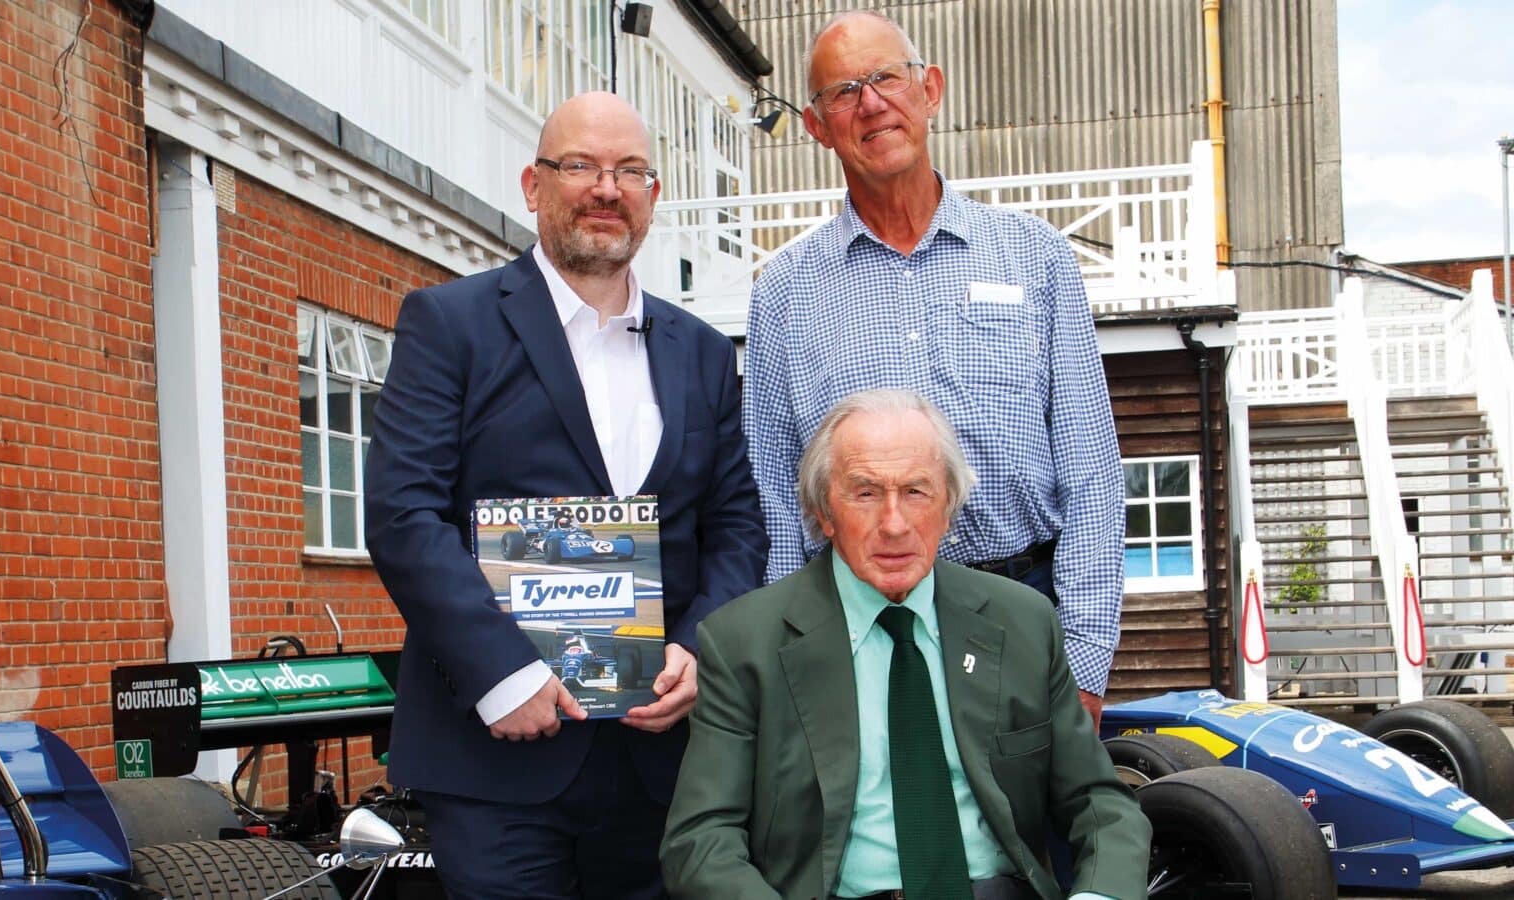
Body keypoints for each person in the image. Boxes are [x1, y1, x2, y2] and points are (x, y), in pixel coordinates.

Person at [365, 91, 767, 899]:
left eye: (630, 171)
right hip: (497, 757)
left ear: (652, 195)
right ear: (533, 184)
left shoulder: (701, 352)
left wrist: (696, 647)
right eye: (580, 165)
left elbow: (734, 528)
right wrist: (503, 675)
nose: (605, 188)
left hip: (661, 759)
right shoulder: (450, 323)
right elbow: (404, 515)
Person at [742, 9, 1125, 727]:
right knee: (882, 837)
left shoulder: (1036, 259)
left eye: (886, 78)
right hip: (857, 629)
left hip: (1024, 613)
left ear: (931, 90)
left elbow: (1094, 473)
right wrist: (797, 665)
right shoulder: (784, 291)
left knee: (1027, 840)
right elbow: (774, 494)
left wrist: (1082, 661)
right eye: (843, 92)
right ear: (818, 126)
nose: (872, 104)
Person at [661, 390, 1149, 900]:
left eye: (916, 492)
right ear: (824, 512)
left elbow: (1100, 803)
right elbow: (700, 841)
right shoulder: (743, 643)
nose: (894, 524)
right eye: (865, 493)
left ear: (948, 506)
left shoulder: (1023, 622)